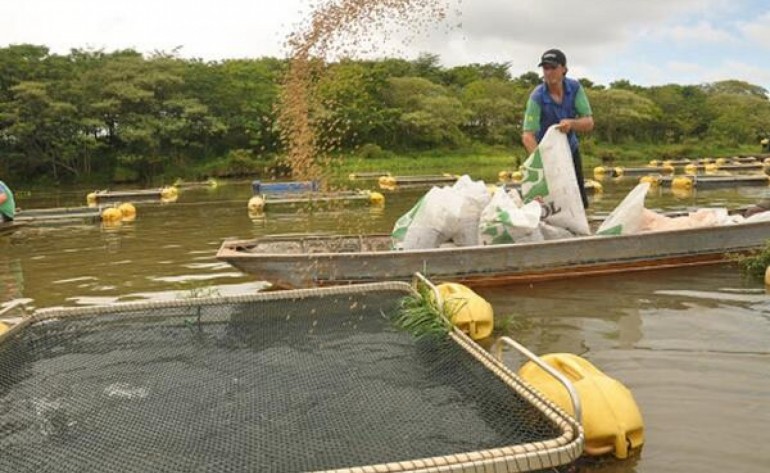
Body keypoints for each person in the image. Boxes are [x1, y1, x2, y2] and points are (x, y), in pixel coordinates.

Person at [522, 48, 594, 209]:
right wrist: (541, 164)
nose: (548, 72)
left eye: (553, 68)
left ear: (564, 69)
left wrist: (572, 123)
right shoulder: (537, 96)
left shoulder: (575, 88)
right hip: (545, 152)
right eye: (545, 68)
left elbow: (589, 122)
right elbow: (528, 135)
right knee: (549, 200)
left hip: (570, 149)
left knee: (579, 200)